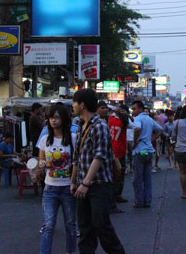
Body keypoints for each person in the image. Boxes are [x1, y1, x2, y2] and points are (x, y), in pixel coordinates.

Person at [70, 89, 124, 254]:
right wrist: (73, 182)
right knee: (85, 229)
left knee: (101, 225)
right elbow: (77, 158)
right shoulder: (81, 125)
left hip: (99, 185)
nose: (72, 106)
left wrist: (86, 183)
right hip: (81, 185)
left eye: (74, 102)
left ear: (82, 105)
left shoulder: (100, 125)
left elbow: (99, 157)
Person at [38, 105, 77, 254]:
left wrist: (73, 182)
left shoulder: (73, 138)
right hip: (50, 189)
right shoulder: (44, 140)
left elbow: (76, 163)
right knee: (48, 225)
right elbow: (41, 163)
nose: (53, 120)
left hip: (68, 187)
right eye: (51, 117)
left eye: (56, 117)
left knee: (71, 225)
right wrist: (38, 170)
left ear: (64, 119)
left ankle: (71, 251)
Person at [131, 100, 162, 208]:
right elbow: (160, 130)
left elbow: (137, 128)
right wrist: (152, 139)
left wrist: (135, 142)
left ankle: (139, 201)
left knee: (137, 179)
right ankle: (147, 201)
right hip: (148, 151)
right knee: (147, 178)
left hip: (140, 151)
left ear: (140, 109)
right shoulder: (149, 119)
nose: (133, 111)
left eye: (134, 109)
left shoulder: (138, 118)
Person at [108, 105, 129, 211]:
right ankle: (115, 197)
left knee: (113, 176)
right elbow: (135, 126)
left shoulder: (110, 119)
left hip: (112, 151)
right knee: (119, 175)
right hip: (120, 152)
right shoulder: (123, 122)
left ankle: (114, 197)